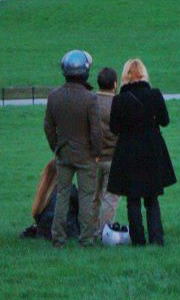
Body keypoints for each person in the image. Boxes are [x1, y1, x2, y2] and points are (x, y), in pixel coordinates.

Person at [107, 58, 176, 247]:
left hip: (128, 150)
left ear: (125, 76)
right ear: (144, 74)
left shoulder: (120, 100)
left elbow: (114, 128)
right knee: (152, 197)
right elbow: (165, 121)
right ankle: (156, 238)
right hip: (151, 149)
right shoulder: (154, 95)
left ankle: (138, 240)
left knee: (133, 198)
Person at [43, 49, 103, 248]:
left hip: (64, 153)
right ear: (85, 72)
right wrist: (96, 152)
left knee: (62, 195)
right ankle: (86, 239)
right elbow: (96, 131)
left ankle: (58, 238)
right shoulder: (90, 98)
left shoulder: (54, 96)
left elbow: (48, 127)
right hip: (86, 155)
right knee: (87, 197)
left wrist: (56, 147)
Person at [92, 66, 120, 237]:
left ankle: (90, 231)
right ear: (115, 84)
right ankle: (105, 233)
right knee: (110, 198)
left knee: (92, 197)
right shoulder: (118, 103)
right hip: (113, 158)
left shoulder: (91, 101)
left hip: (93, 158)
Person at [21, 159, 80, 240]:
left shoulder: (43, 192)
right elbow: (81, 211)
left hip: (44, 233)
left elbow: (37, 214)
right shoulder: (70, 189)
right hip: (68, 232)